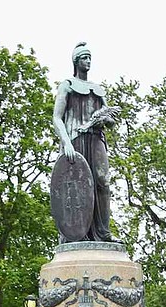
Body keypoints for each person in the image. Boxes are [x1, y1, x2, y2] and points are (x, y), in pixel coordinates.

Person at [52, 41, 120, 242]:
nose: (88, 61)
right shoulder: (67, 85)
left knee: (103, 182)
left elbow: (111, 120)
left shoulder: (97, 89)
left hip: (96, 139)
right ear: (76, 61)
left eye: (90, 57)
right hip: (75, 139)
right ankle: (76, 233)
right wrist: (66, 144)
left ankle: (103, 232)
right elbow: (57, 117)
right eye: (84, 57)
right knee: (77, 185)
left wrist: (106, 119)